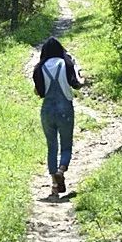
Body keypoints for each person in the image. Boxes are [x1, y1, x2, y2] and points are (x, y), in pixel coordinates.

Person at [32, 37, 84, 197]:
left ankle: (54, 185)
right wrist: (83, 79)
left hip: (47, 110)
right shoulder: (66, 63)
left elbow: (39, 93)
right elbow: (76, 84)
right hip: (65, 109)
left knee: (51, 146)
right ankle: (61, 170)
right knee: (66, 145)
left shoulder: (39, 67)